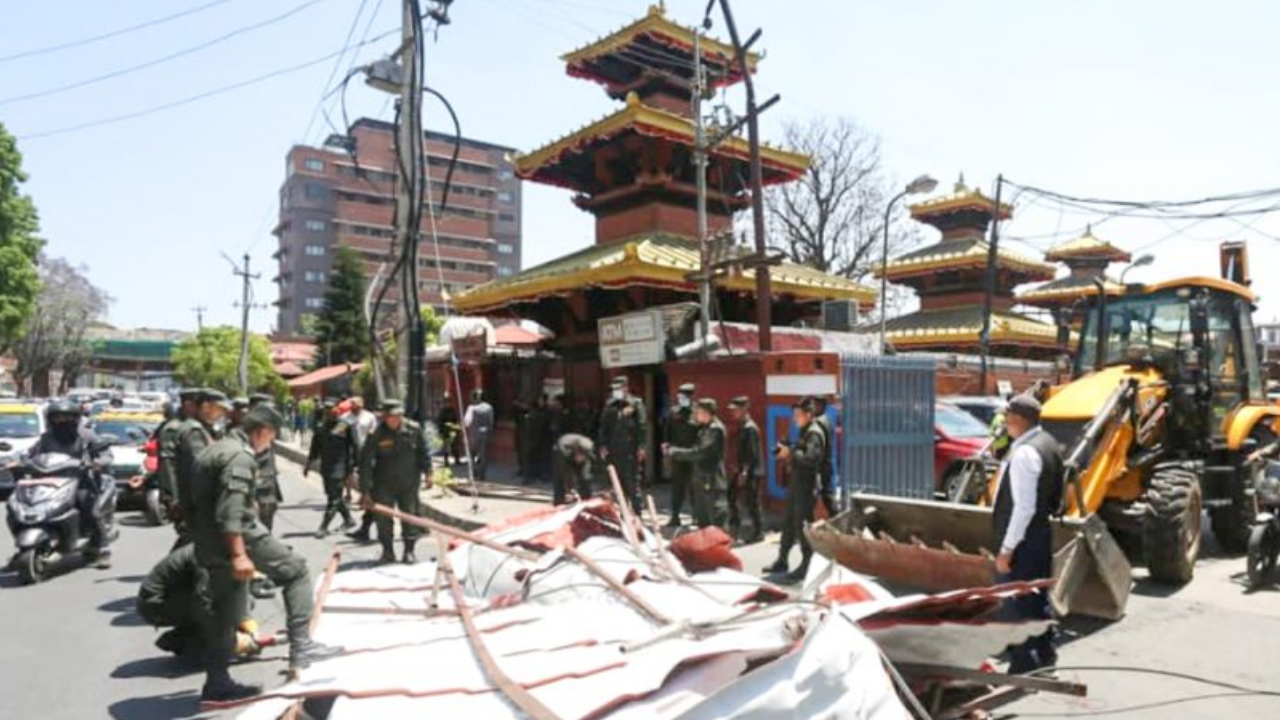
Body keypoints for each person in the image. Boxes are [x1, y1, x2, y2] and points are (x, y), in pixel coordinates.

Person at [190, 403, 342, 702]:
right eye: (271, 437)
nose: (270, 443)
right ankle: (301, 646)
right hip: (237, 537)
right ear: (262, 431)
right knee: (296, 570)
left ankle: (217, 682)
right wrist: (239, 555)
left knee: (225, 611)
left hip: (207, 540)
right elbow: (231, 512)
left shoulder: (214, 448)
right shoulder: (239, 457)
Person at [993, 394, 1063, 674]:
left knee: (1016, 602)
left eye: (1008, 417)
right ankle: (1046, 657)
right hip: (1040, 535)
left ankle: (1024, 664)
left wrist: (1007, 549)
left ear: (1018, 419)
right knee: (1036, 598)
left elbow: (1023, 508)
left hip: (1023, 540)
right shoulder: (1048, 442)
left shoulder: (1024, 453)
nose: (1004, 422)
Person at [25, 400, 115, 568]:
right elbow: (30, 453)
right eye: (57, 417)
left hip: (81, 481)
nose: (62, 421)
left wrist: (98, 462)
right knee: (28, 504)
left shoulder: (86, 435)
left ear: (75, 418)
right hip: (51, 482)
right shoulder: (46, 438)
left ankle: (103, 549)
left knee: (91, 510)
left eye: (66, 417)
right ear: (50, 419)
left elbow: (106, 454)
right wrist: (19, 460)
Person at [360, 400, 433, 564]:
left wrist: (429, 472)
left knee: (409, 516)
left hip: (409, 482)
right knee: (383, 519)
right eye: (390, 417)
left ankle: (409, 551)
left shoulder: (414, 429)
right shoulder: (376, 433)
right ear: (385, 417)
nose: (394, 419)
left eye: (397, 416)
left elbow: (423, 452)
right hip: (383, 484)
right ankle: (388, 551)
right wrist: (365, 490)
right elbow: (366, 462)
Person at [767, 397, 827, 584]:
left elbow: (811, 459)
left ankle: (807, 563)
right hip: (796, 483)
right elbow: (799, 453)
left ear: (808, 415)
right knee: (788, 521)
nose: (795, 419)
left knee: (802, 525)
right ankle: (782, 559)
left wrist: (790, 452)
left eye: (798, 415)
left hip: (806, 486)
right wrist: (786, 450)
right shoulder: (804, 431)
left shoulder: (814, 433)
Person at [174, 389, 231, 551]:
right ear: (206, 406)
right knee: (191, 548)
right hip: (197, 503)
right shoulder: (194, 431)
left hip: (200, 501)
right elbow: (203, 465)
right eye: (220, 408)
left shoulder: (204, 429)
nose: (222, 413)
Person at [665, 398, 727, 529]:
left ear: (706, 413)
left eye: (698, 412)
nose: (696, 415)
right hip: (702, 478)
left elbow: (700, 452)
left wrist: (676, 452)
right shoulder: (704, 428)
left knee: (713, 518)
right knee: (703, 518)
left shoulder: (714, 430)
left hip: (710, 479)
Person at [307, 401, 357, 538]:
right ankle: (348, 519)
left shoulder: (345, 426)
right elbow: (314, 447)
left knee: (333, 499)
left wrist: (355, 466)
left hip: (341, 467)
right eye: (326, 410)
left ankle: (323, 527)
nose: (329, 412)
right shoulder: (321, 427)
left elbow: (355, 446)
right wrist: (308, 465)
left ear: (337, 410)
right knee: (333, 495)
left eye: (331, 409)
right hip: (326, 467)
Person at [598, 376, 648, 511]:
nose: (616, 391)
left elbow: (642, 426)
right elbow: (603, 427)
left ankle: (637, 513)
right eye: (614, 389)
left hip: (630, 449)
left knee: (632, 483)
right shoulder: (610, 404)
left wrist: (641, 446)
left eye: (618, 388)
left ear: (626, 388)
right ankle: (622, 512)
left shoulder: (636, 403)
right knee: (617, 483)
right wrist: (603, 445)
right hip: (613, 449)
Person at [158, 389, 200, 537]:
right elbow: (168, 466)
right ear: (188, 405)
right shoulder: (174, 428)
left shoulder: (197, 426)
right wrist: (173, 500)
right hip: (184, 497)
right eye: (199, 404)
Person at [726, 396, 764, 542]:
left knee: (752, 501)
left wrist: (744, 472)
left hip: (752, 472)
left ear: (743, 410)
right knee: (731, 495)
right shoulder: (743, 426)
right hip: (742, 469)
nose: (733, 413)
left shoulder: (750, 429)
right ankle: (735, 525)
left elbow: (752, 454)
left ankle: (758, 532)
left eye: (736, 410)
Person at [662, 383, 698, 527]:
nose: (681, 399)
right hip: (677, 455)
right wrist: (666, 448)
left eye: (684, 396)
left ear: (691, 396)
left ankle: (696, 516)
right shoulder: (674, 412)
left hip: (693, 455)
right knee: (677, 487)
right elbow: (667, 431)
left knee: (694, 487)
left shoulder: (697, 412)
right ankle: (675, 516)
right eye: (680, 396)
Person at [248, 393, 283, 533]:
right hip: (256, 490)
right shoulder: (247, 431)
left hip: (269, 489)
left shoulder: (267, 427)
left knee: (266, 530)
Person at [552, 433, 596, 506]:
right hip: (561, 454)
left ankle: (586, 501)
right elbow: (566, 474)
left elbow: (586, 474)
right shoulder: (563, 451)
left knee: (585, 477)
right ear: (576, 452)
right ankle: (559, 502)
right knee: (560, 479)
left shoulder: (588, 447)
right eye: (581, 456)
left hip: (577, 450)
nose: (582, 459)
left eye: (584, 457)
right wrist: (571, 490)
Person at [812, 396, 837, 517]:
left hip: (821, 465)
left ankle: (835, 516)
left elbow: (818, 446)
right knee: (827, 493)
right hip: (826, 463)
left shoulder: (819, 422)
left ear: (821, 406)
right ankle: (835, 516)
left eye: (815, 405)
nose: (813, 407)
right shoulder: (826, 420)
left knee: (824, 494)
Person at [463, 389, 494, 482]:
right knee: (483, 455)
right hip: (485, 433)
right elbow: (491, 421)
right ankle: (482, 474)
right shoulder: (489, 407)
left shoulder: (471, 408)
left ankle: (474, 472)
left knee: (472, 454)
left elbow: (467, 422)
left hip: (474, 433)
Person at [436, 394, 463, 466]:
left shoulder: (452, 410)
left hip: (453, 431)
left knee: (455, 446)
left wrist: (457, 429)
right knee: (446, 448)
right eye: (447, 402)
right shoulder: (442, 411)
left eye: (449, 402)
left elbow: (455, 420)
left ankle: (457, 460)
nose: (448, 403)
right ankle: (446, 461)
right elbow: (440, 422)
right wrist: (440, 432)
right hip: (445, 431)